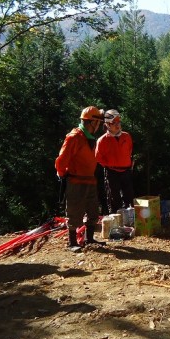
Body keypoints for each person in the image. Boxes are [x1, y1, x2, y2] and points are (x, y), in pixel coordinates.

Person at [55, 106, 106, 252]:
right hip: (76, 181)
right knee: (74, 211)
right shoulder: (74, 137)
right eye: (98, 122)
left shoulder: (89, 138)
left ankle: (89, 239)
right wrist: (63, 174)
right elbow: (61, 161)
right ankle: (72, 243)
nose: (99, 126)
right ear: (92, 122)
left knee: (93, 210)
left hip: (90, 179)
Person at [96, 109, 135, 214]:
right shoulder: (102, 140)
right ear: (107, 125)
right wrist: (110, 164)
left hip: (126, 171)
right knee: (114, 198)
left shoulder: (127, 136)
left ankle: (130, 222)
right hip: (112, 172)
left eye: (119, 122)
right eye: (114, 123)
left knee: (129, 197)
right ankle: (116, 222)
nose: (117, 125)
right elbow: (98, 157)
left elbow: (130, 150)